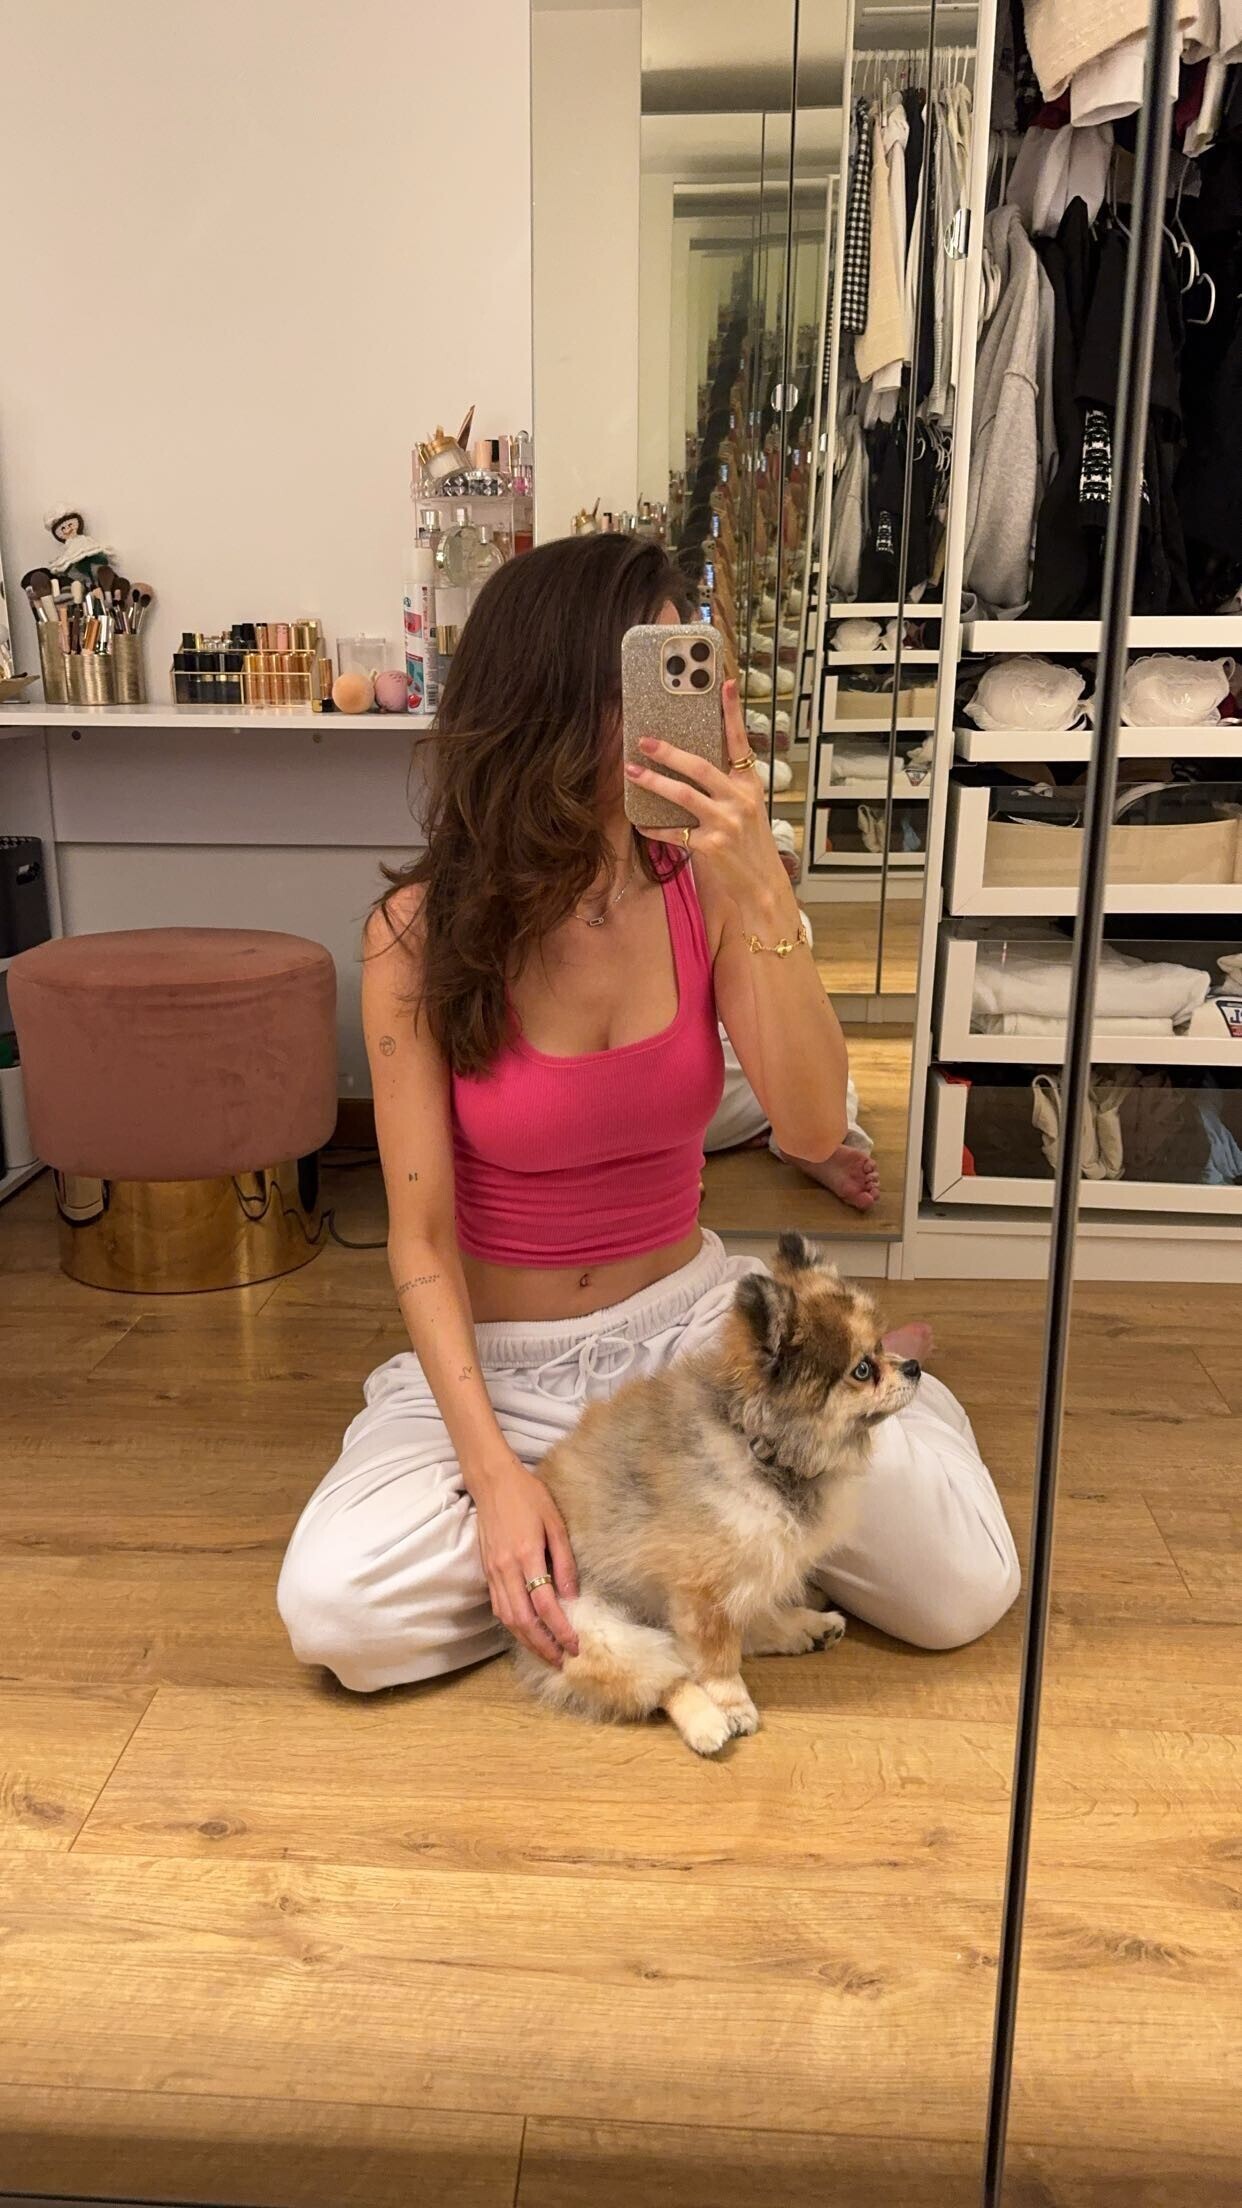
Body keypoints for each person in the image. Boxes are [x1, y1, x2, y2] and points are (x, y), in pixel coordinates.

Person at [277, 536, 1019, 1689]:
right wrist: (496, 1479)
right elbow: (418, 1243)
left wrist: (763, 890)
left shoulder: (705, 889)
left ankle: (731, 1502)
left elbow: (811, 1131)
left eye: (694, 671)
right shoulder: (416, 934)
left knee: (962, 1587)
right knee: (342, 1617)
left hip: (696, 1345)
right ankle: (692, 1546)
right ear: (554, 695)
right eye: (649, 674)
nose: (688, 711)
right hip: (504, 1366)